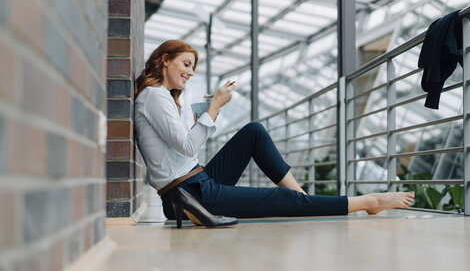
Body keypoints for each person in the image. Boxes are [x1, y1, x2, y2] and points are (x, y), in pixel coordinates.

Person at [134, 40, 414, 227]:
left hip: (197, 180)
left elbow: (185, 149)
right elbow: (186, 146)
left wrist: (205, 113)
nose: (190, 73)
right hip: (189, 193)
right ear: (166, 60)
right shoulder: (155, 97)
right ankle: (369, 202)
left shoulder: (162, 97)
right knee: (279, 200)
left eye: (193, 67)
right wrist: (215, 108)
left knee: (254, 132)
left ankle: (304, 201)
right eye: (186, 64)